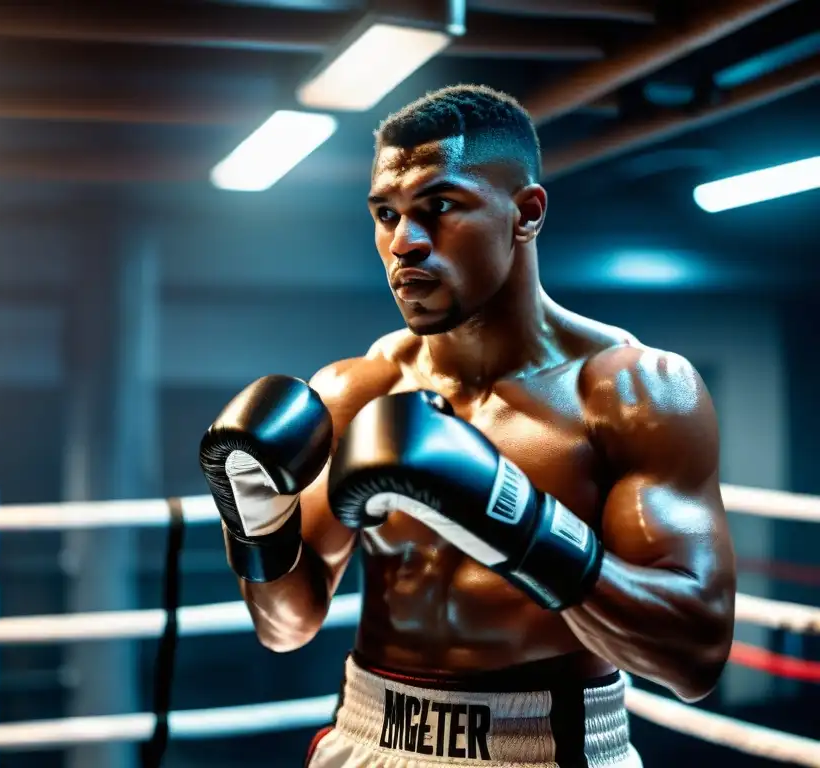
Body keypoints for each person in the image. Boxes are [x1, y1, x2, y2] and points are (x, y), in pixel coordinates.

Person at [199, 84, 736, 767]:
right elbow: (286, 625)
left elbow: (695, 656)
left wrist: (514, 521)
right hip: (369, 736)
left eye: (439, 207)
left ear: (526, 213)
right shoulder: (359, 389)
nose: (404, 243)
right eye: (386, 214)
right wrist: (252, 519)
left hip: (548, 747)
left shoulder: (633, 391)